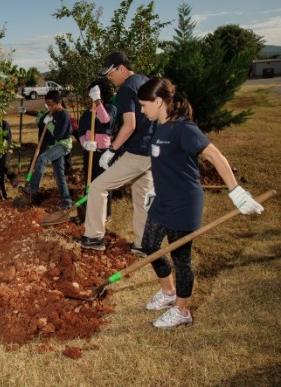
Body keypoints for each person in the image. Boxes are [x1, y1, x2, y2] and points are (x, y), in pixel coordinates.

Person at [136, 77, 263, 329]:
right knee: (149, 245)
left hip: (184, 202)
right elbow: (163, 162)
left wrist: (236, 191)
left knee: (181, 258)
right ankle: (168, 292)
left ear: (158, 101)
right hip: (163, 200)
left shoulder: (184, 129)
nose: (142, 110)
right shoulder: (159, 126)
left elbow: (214, 155)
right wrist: (154, 188)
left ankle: (182, 311)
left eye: (143, 105)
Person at [81, 52, 154, 253]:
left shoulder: (127, 88)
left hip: (138, 152)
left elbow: (129, 125)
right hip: (153, 152)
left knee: (98, 187)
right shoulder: (145, 82)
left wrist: (111, 151)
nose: (109, 79)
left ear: (121, 68)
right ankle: (143, 244)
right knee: (142, 199)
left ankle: (94, 237)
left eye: (111, 73)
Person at [21, 89, 73, 209]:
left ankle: (32, 189)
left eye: (51, 105)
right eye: (47, 105)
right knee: (59, 175)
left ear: (59, 102)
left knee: (42, 158)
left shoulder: (64, 115)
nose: (49, 107)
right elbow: (40, 122)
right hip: (54, 146)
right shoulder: (51, 113)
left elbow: (59, 135)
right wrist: (44, 119)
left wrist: (49, 124)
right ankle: (67, 202)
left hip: (63, 145)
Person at [76, 80, 117, 222]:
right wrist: (84, 144)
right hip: (89, 152)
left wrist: (98, 102)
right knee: (90, 181)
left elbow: (106, 120)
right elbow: (80, 132)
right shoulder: (86, 114)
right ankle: (90, 208)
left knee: (104, 182)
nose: (89, 98)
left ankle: (107, 213)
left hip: (104, 153)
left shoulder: (110, 108)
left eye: (92, 94)